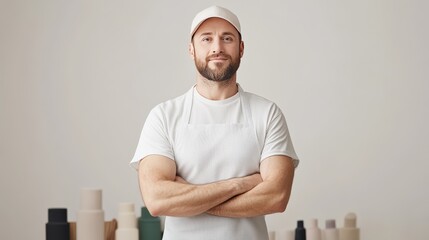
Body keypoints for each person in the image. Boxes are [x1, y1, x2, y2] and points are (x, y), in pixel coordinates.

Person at [130, 5, 299, 240]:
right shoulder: (164, 116)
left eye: (226, 38)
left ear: (241, 48)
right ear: (191, 50)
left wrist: (189, 198)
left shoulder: (267, 114)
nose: (217, 48)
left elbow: (276, 197)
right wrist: (240, 185)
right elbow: (157, 200)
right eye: (206, 39)